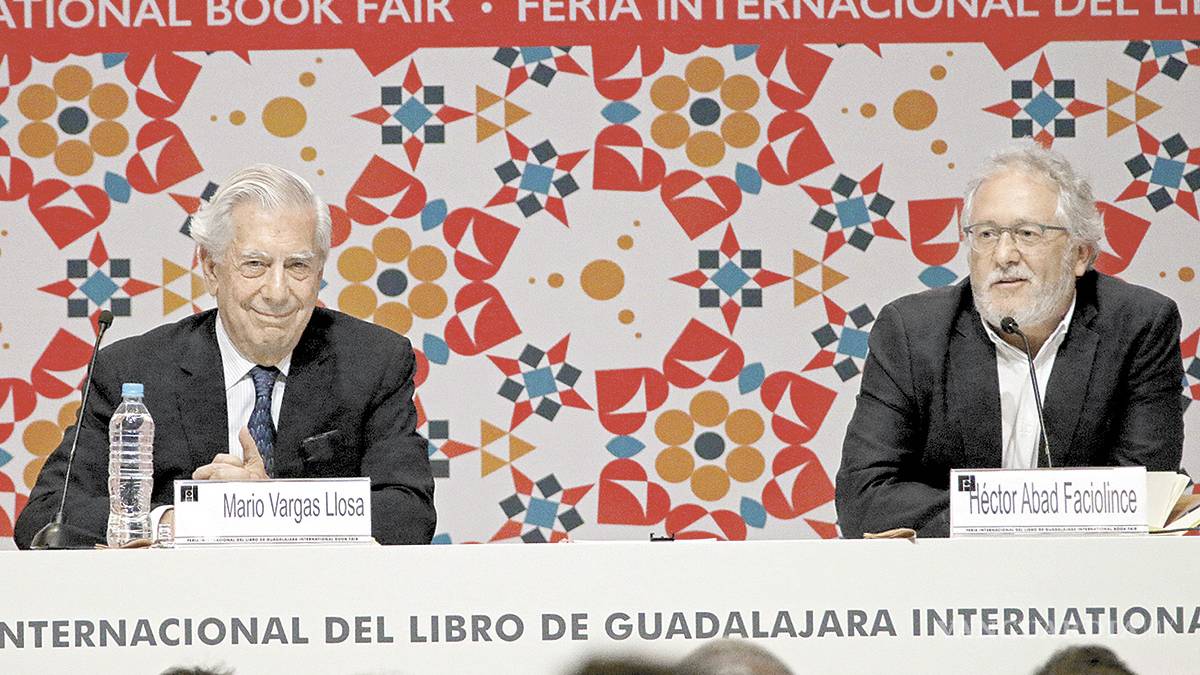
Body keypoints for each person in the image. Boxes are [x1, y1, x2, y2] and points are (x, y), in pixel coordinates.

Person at [15, 164, 435, 547]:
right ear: (212, 269)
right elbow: (47, 515)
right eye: (255, 264)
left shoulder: (373, 362)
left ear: (320, 272)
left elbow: (409, 515)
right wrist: (177, 522)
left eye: (298, 267)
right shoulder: (134, 369)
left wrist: (265, 508)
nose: (277, 292)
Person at [836, 144, 1184, 538]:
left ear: (1079, 255)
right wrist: (1013, 514)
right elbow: (863, 499)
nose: (1003, 255)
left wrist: (996, 511)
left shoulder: (1139, 326)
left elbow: (1143, 495)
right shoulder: (911, 331)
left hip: (1088, 571)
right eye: (986, 234)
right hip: (950, 572)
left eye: (1027, 233)